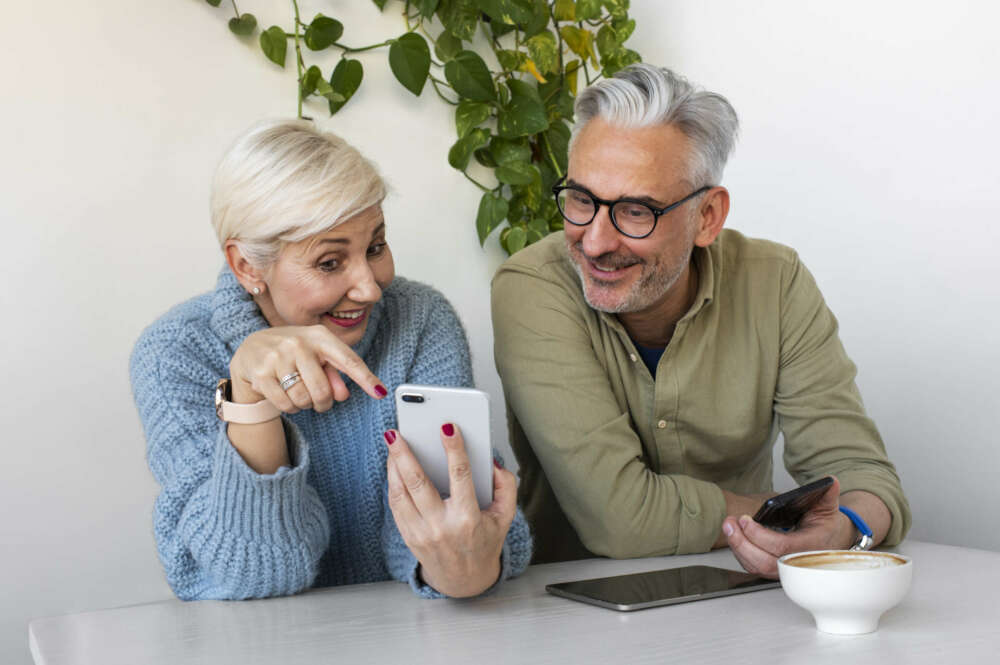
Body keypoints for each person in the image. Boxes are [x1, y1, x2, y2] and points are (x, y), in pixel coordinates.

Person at [491, 64, 910, 577]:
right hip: (574, 610)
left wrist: (843, 527)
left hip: (745, 602)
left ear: (707, 217)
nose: (595, 241)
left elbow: (864, 475)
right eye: (581, 200)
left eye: (635, 211)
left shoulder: (775, 282)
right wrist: (781, 518)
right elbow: (620, 520)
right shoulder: (531, 286)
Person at [130, 119, 531, 601]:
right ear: (246, 266)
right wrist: (251, 401)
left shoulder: (418, 319)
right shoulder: (176, 354)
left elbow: (467, 536)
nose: (369, 287)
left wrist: (464, 567)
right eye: (329, 262)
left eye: (376, 247)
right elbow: (249, 578)